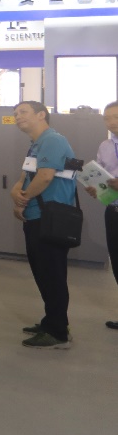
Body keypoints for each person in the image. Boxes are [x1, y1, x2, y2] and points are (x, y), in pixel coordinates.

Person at [10, 100, 76, 349]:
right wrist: (16, 192)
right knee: (43, 273)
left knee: (52, 274)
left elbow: (46, 176)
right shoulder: (35, 144)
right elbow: (25, 176)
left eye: (23, 112)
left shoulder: (53, 140)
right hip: (37, 216)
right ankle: (52, 321)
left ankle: (57, 331)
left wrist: (23, 200)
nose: (17, 116)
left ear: (41, 115)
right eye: (16, 113)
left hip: (50, 219)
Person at [82, 100, 118, 331]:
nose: (111, 122)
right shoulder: (105, 146)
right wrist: (94, 187)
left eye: (116, 117)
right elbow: (100, 173)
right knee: (117, 263)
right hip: (113, 211)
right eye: (107, 118)